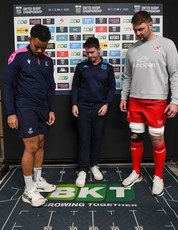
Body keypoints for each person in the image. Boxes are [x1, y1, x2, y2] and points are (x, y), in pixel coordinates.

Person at [120, 11, 178, 196]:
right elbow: (127, 76)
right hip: (135, 101)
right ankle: (136, 172)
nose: (138, 34)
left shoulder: (166, 44)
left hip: (157, 102)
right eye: (135, 30)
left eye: (141, 29)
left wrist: (175, 101)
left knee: (156, 140)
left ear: (151, 25)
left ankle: (158, 177)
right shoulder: (132, 49)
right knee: (135, 138)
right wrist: (124, 97)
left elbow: (175, 74)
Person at [3, 24, 56, 207]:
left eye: (44, 46)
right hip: (24, 106)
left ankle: (38, 180)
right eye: (37, 46)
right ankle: (28, 190)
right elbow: (8, 85)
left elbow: (50, 86)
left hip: (42, 107)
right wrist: (10, 113)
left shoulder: (48, 60)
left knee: (41, 143)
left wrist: (51, 109)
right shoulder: (17, 56)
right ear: (29, 40)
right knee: (31, 145)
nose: (40, 50)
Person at [72, 37, 116, 187]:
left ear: (99, 50)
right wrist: (74, 104)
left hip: (99, 109)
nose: (89, 55)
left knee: (97, 138)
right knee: (84, 139)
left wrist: (106, 104)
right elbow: (75, 86)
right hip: (83, 107)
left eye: (92, 52)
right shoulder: (81, 67)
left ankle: (94, 165)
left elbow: (112, 88)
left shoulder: (107, 67)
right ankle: (83, 169)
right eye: (87, 53)